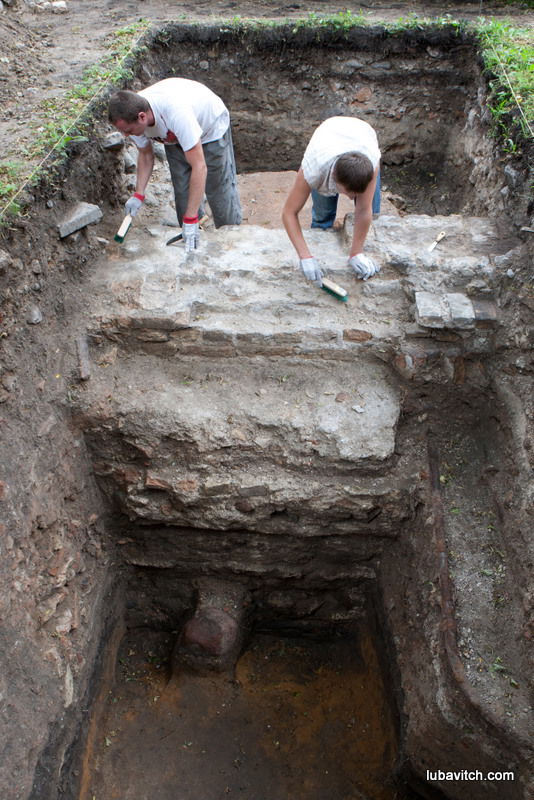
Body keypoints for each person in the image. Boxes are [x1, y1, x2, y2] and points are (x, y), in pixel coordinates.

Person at [108, 78, 242, 251]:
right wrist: (138, 194)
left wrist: (191, 218)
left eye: (128, 131)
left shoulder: (176, 113)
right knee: (182, 190)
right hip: (173, 137)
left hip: (210, 129)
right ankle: (193, 238)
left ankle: (231, 240)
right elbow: (146, 155)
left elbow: (199, 167)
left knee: (217, 189)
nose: (126, 136)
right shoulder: (131, 115)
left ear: (142, 117)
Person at [282, 116, 381, 285]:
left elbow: (364, 210)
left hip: (362, 135)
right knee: (323, 214)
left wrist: (356, 253)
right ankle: (319, 236)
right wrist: (305, 256)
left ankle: (359, 249)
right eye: (349, 192)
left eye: (356, 193)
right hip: (328, 135)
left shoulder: (370, 165)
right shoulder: (314, 170)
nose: (351, 198)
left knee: (373, 211)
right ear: (335, 181)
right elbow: (289, 213)